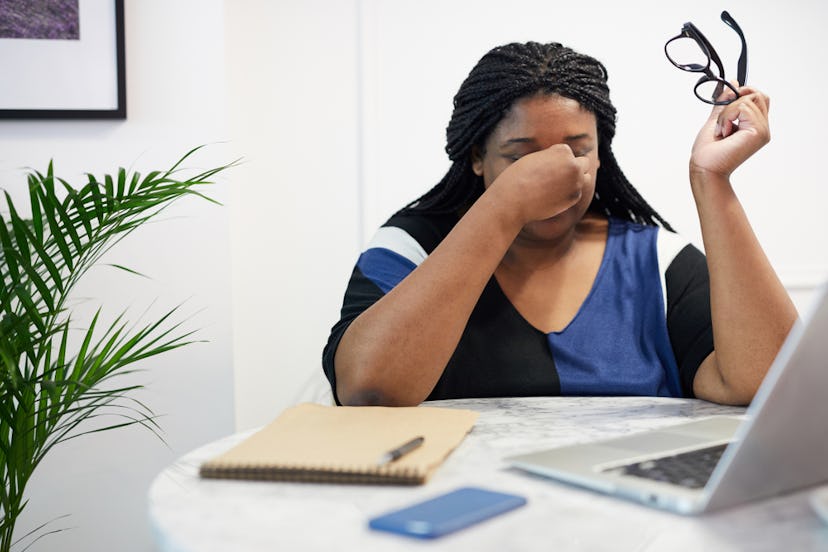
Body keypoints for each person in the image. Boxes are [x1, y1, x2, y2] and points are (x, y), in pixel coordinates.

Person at [322, 41, 797, 408]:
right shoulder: (411, 246)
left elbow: (769, 384)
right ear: (476, 158)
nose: (556, 170)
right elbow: (368, 389)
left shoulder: (656, 261)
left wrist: (711, 179)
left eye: (578, 148)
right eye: (521, 154)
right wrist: (503, 209)